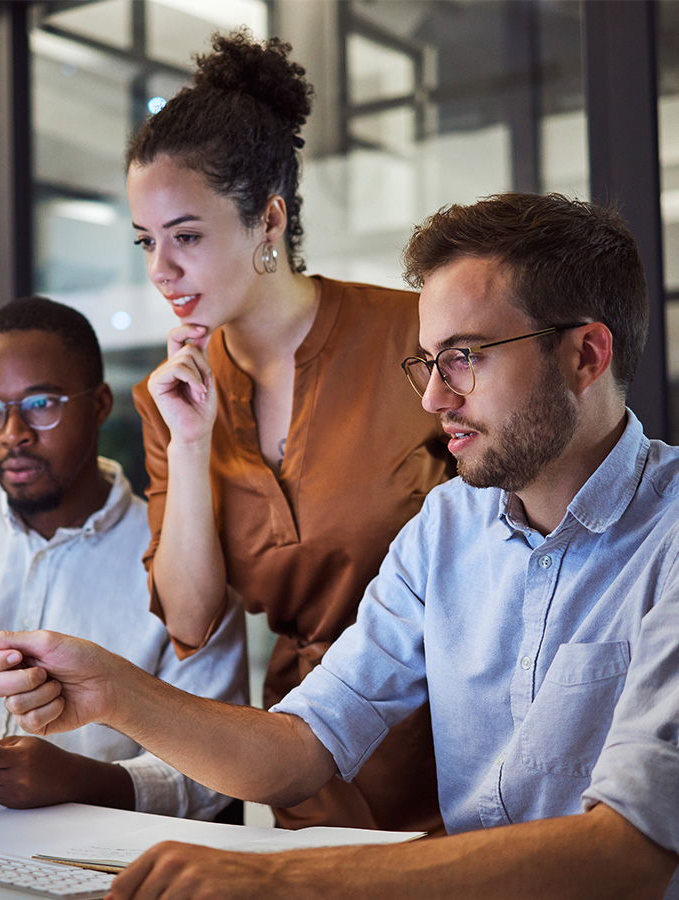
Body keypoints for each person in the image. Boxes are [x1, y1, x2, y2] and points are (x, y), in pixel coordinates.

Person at [0, 193, 679, 899]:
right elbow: (301, 748)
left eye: (463, 357)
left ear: (585, 355)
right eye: (427, 362)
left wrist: (280, 876)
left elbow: (628, 852)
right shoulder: (444, 529)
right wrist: (112, 690)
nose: (432, 398)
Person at [126, 29, 451, 831]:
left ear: (267, 219)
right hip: (302, 760)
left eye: (186, 236)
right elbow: (193, 622)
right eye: (146, 242)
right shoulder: (170, 398)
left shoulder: (415, 335)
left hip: (455, 744)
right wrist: (193, 440)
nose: (160, 272)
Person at [0, 295, 247, 821]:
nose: (12, 434)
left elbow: (216, 777)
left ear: (100, 405)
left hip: (98, 862)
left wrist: (82, 781)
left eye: (41, 404)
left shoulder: (182, 564)